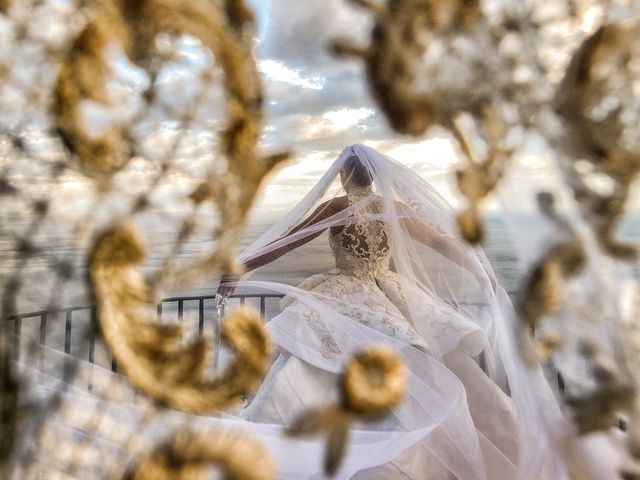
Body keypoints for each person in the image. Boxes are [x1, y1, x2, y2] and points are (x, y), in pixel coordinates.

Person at [214, 144, 564, 479]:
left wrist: (241, 267)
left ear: (343, 177)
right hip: (394, 294)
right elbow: (441, 242)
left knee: (314, 363)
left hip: (346, 292)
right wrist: (482, 270)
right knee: (421, 367)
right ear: (373, 177)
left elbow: (288, 239)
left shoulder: (338, 206)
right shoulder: (392, 207)